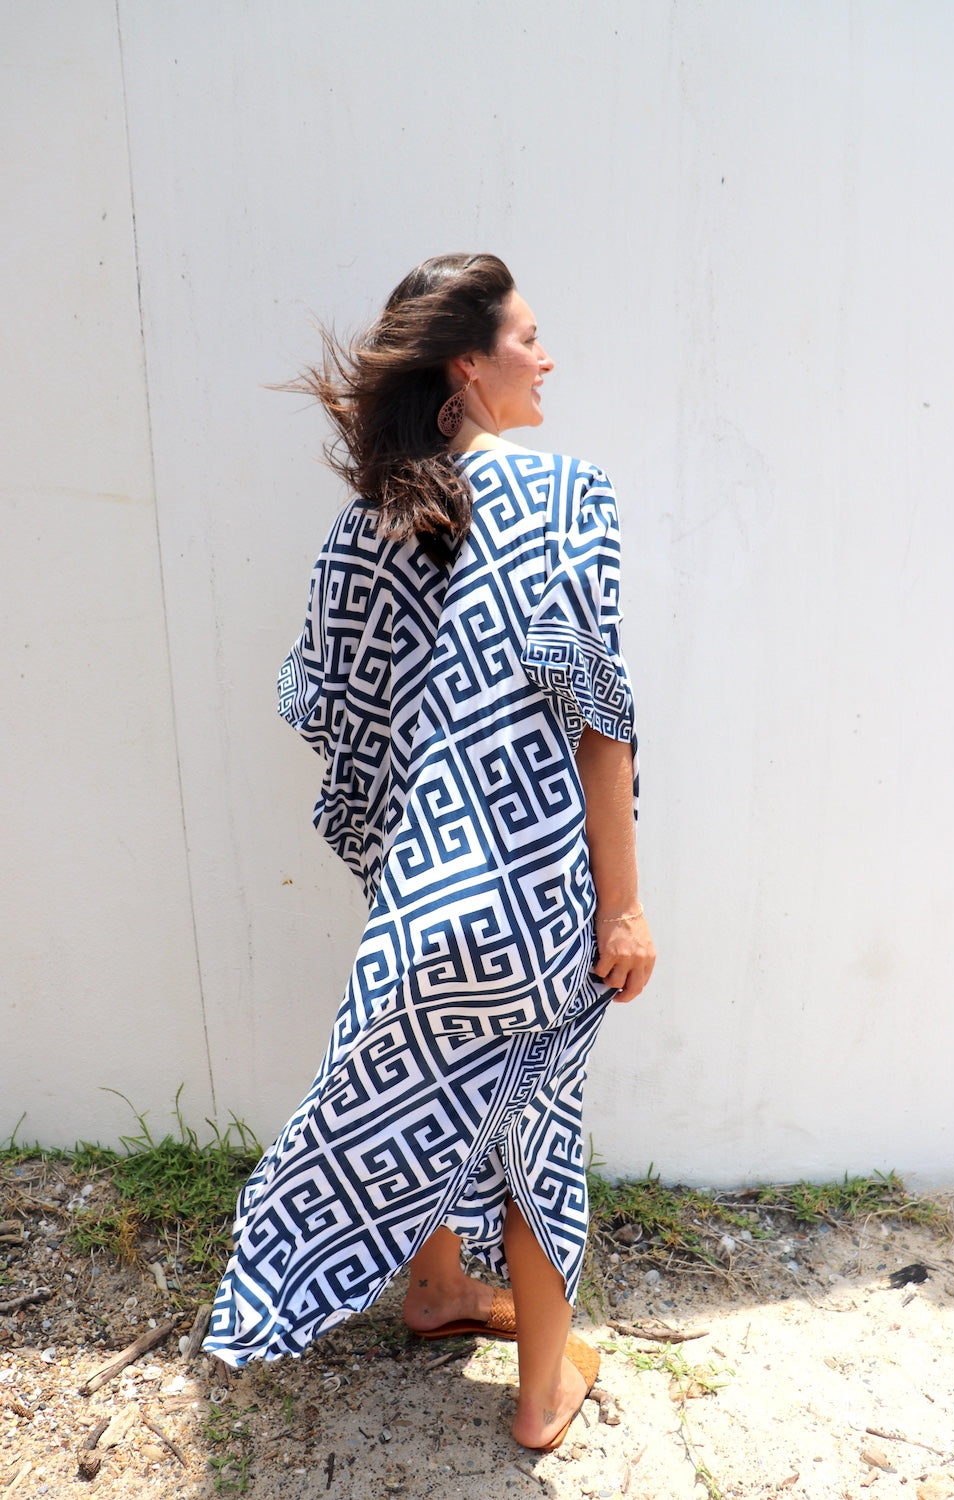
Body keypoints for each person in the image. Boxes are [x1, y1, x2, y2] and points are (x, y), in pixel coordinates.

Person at [203, 254, 655, 1451]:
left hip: (419, 890)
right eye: (529, 337)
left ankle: (440, 1289)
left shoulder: (368, 525)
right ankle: (543, 1395)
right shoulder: (563, 494)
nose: (547, 358)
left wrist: (420, 833)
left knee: (438, 1077)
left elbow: (325, 707)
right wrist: (622, 906)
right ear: (468, 361)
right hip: (534, 886)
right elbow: (599, 720)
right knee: (536, 1122)